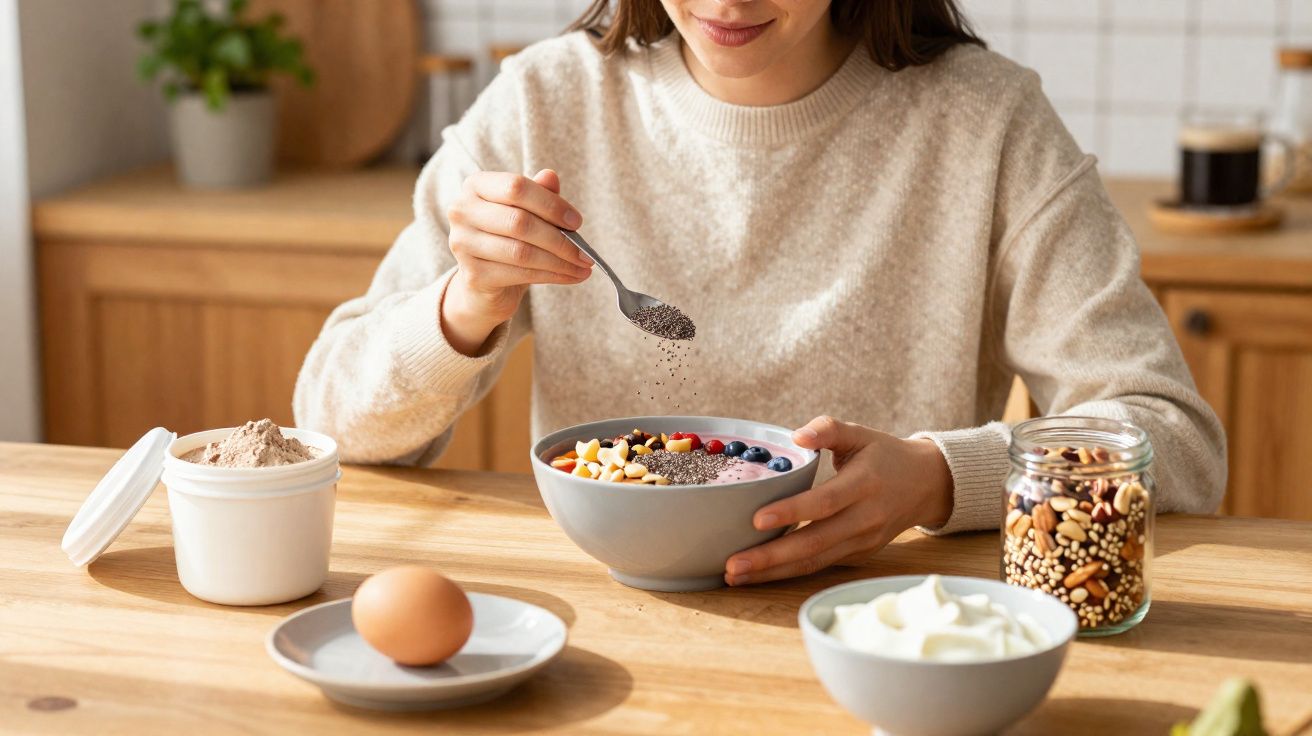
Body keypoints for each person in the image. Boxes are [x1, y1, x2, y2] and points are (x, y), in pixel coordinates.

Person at [294, 0, 1226, 587]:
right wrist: (466, 305)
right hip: (608, 632)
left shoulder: (987, 123)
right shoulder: (545, 102)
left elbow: (1173, 441)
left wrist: (943, 476)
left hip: (889, 631)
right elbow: (332, 418)